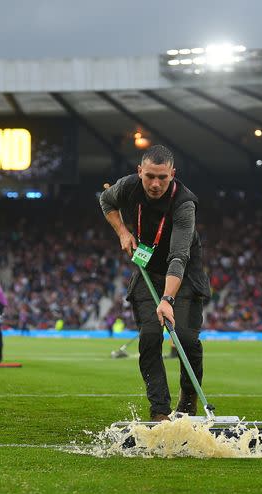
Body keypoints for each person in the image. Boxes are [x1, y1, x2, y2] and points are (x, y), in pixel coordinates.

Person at [99, 145, 211, 421]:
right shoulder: (127, 186)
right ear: (140, 171)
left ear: (173, 174)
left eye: (162, 177)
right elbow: (106, 200)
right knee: (149, 338)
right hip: (148, 268)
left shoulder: (184, 204)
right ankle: (159, 411)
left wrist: (167, 300)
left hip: (182, 272)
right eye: (149, 176)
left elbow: (179, 256)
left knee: (185, 338)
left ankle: (188, 402)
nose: (155, 184)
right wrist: (123, 232)